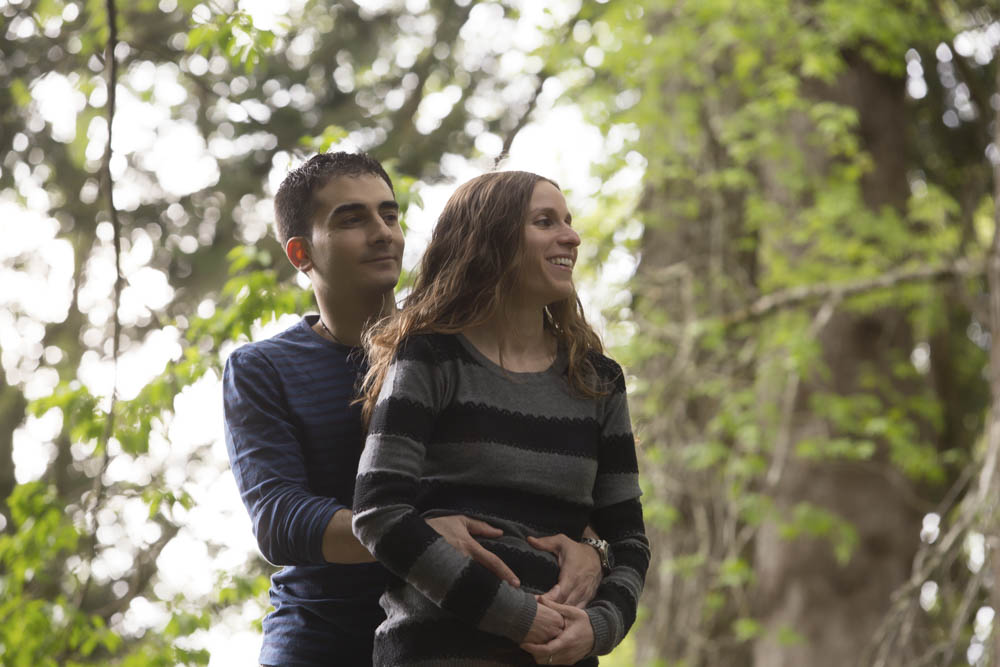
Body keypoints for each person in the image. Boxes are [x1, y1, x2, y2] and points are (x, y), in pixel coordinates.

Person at [222, 153, 605, 666]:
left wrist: (593, 548)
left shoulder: (455, 351)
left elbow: (536, 480)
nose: (382, 233)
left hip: (453, 638)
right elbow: (279, 520)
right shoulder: (263, 368)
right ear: (301, 253)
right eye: (352, 219)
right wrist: (412, 536)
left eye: (389, 214)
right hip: (322, 643)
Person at [353, 170, 650, 665]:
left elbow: (629, 540)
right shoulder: (429, 358)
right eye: (545, 222)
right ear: (489, 239)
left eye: (568, 221)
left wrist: (600, 627)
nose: (572, 237)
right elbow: (379, 513)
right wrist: (515, 616)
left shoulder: (597, 379)